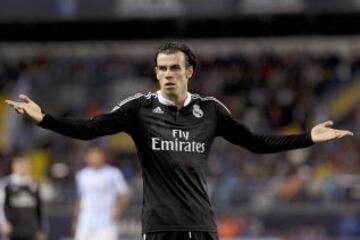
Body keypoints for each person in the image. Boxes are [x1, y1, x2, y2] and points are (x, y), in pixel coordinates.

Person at [5, 42, 353, 240]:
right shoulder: (138, 109)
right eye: (162, 68)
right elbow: (90, 129)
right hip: (159, 228)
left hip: (201, 226)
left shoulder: (211, 110)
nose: (167, 74)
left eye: (174, 68)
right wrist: (45, 119)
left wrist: (308, 137)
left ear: (190, 71)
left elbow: (256, 143)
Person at [73, 146, 130, 240]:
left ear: (103, 156)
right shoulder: (82, 175)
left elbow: (124, 194)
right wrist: (76, 220)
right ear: (87, 157)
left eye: (97, 155)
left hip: (106, 222)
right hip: (86, 222)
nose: (95, 158)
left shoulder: (113, 173)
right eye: (92, 155)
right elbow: (80, 198)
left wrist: (118, 209)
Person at [0, 156, 47, 240]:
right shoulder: (5, 184)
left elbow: (40, 209)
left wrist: (41, 229)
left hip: (31, 228)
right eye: (21, 165)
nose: (24, 167)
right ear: (14, 166)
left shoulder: (34, 184)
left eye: (26, 165)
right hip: (13, 228)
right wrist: (3, 222)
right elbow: (0, 205)